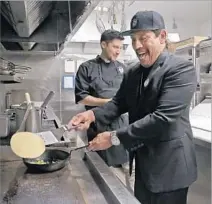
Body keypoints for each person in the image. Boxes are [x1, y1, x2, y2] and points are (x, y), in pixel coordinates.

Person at [69, 10, 198, 204]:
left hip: (171, 168)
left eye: (143, 38)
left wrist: (114, 138)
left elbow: (162, 119)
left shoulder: (180, 70)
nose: (137, 46)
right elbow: (119, 103)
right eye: (134, 39)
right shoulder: (133, 72)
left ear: (162, 36)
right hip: (144, 166)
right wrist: (92, 115)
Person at [74, 29, 129, 168]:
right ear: (103, 44)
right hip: (98, 127)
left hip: (121, 126)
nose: (118, 51)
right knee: (100, 169)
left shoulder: (123, 69)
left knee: (123, 171)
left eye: (120, 48)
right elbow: (82, 98)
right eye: (115, 47)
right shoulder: (86, 68)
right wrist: (110, 103)